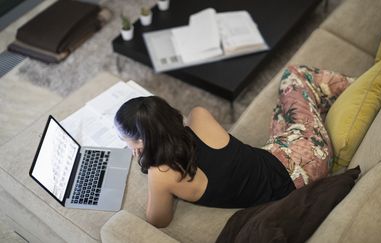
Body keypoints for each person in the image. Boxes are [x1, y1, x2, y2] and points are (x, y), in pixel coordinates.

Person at [114, 65, 353, 228]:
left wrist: (146, 157)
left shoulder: (161, 174)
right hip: (295, 161)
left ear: (142, 141)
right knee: (291, 89)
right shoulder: (199, 116)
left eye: (125, 139)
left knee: (293, 85)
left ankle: (354, 87)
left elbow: (158, 220)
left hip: (304, 160)